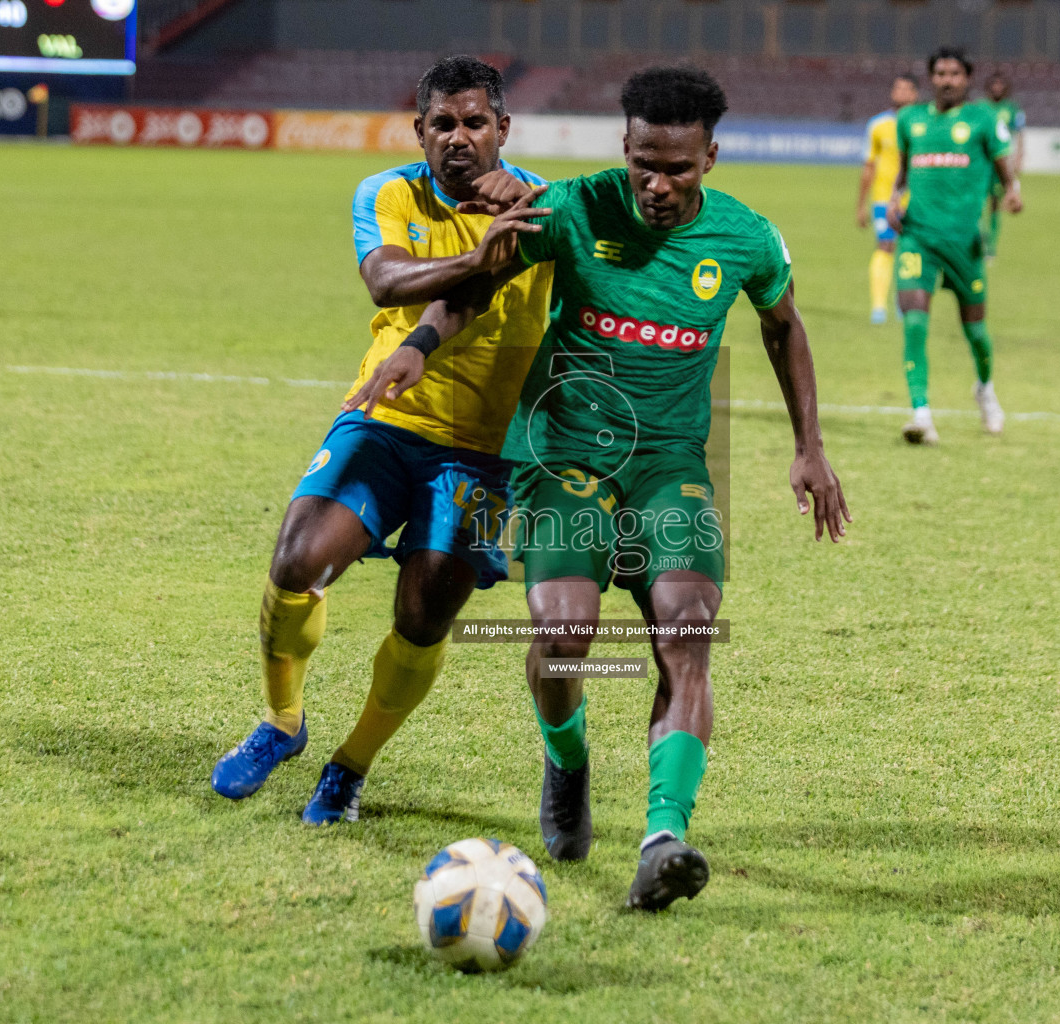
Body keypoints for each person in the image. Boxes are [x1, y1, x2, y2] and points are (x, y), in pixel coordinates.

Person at [350, 66, 851, 911]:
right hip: (563, 456)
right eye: (644, 164)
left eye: (679, 169)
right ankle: (568, 759)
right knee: (563, 635)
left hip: (669, 465)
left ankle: (664, 834)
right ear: (623, 147)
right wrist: (419, 346)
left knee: (689, 632)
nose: (658, 185)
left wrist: (812, 446)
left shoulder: (746, 238)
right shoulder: (574, 210)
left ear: (711, 158)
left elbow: (783, 324)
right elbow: (483, 282)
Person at [209, 56, 554, 825]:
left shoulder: (547, 209)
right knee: (297, 560)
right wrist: (486, 248)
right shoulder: (388, 191)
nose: (457, 139)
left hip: (489, 452)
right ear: (419, 131)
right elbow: (387, 280)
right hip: (387, 417)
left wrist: (524, 220)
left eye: (474, 123)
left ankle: (350, 765)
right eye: (442, 124)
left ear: (504, 127)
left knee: (424, 610)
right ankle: (282, 722)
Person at [888, 47, 1021, 445]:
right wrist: (895, 199)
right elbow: (902, 173)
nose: (947, 80)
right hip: (917, 237)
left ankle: (985, 389)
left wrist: (1014, 191)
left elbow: (1004, 168)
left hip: (965, 243)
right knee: (913, 320)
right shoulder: (909, 120)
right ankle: (921, 413)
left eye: (955, 73)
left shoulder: (984, 119)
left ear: (967, 78)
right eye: (940, 73)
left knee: (976, 331)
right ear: (932, 78)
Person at [857, 74, 919, 325]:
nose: (901, 92)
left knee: (910, 250)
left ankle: (903, 303)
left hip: (915, 199)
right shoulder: (878, 125)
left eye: (907, 89)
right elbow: (869, 166)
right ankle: (879, 307)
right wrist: (861, 204)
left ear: (915, 94)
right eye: (897, 88)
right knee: (885, 246)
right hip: (883, 198)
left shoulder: (922, 123)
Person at [980, 70, 1025, 261]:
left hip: (1002, 160)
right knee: (975, 202)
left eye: (1001, 84)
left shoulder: (1012, 108)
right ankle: (979, 240)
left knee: (996, 204)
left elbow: (1019, 134)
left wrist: (1019, 157)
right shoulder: (980, 107)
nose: (997, 88)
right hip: (982, 161)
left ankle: (991, 246)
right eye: (994, 84)